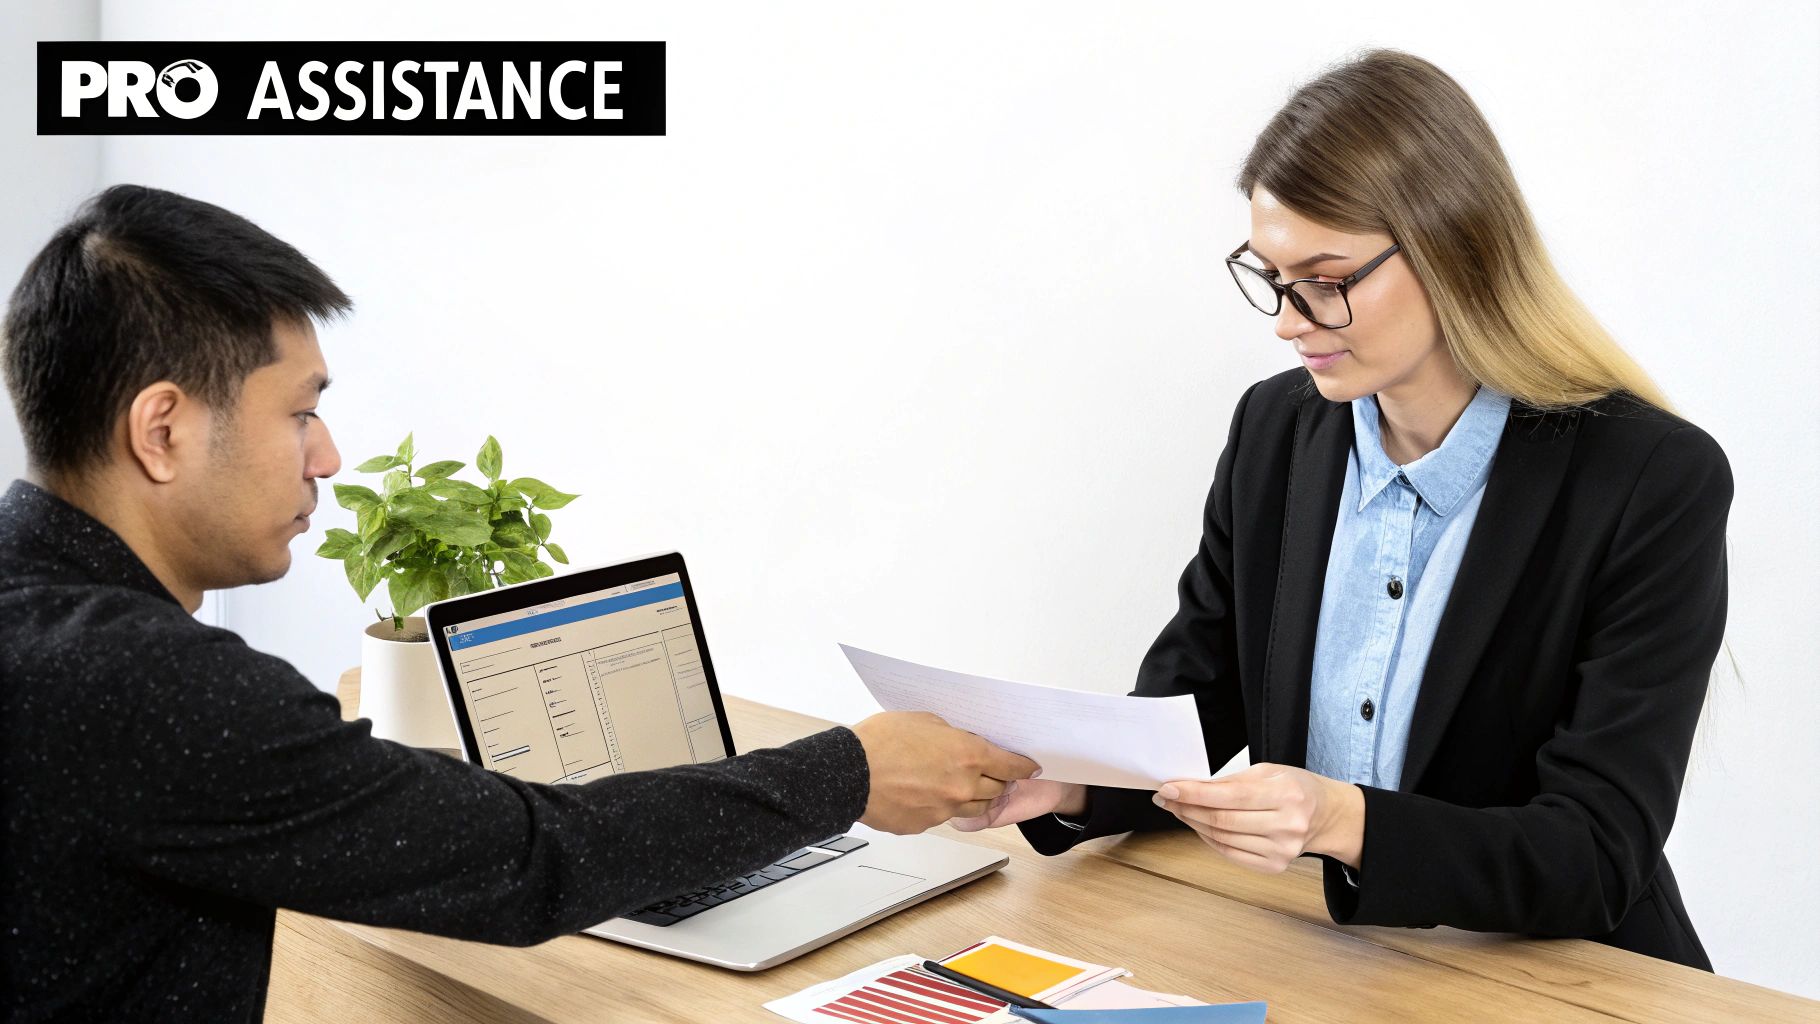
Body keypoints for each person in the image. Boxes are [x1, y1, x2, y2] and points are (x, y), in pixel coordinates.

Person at [0, 184, 1039, 1022]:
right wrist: (847, 769)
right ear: (164, 431)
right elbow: (530, 857)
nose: (328, 456)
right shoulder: (146, 685)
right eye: (301, 412)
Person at [953, 49, 1730, 971]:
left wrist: (1344, 821)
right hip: (1334, 960)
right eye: (1273, 277)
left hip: (1565, 976)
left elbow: (1596, 854)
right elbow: (1198, 707)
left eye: (1327, 281)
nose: (1289, 321)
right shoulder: (1277, 431)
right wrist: (1068, 787)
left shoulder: (1650, 479)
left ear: (1454, 248)